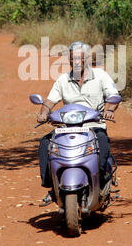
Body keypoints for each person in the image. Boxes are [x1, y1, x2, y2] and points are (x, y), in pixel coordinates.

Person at [37, 41, 120, 206]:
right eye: (72, 59)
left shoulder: (101, 76)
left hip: (94, 126)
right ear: (68, 60)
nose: (76, 62)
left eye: (79, 59)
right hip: (67, 128)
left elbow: (113, 96)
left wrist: (109, 109)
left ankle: (103, 183)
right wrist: (44, 112)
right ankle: (51, 187)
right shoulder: (63, 80)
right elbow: (50, 100)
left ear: (87, 59)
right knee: (45, 143)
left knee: (102, 144)